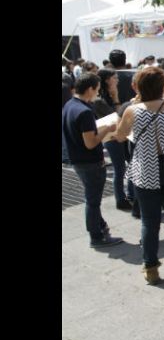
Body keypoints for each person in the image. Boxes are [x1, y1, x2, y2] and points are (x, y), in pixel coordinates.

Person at [114, 67, 164, 284]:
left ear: (139, 87)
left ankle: (151, 268)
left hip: (146, 168)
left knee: (150, 221)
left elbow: (120, 136)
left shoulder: (133, 111)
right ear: (162, 86)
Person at [62, 72, 123, 248]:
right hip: (89, 161)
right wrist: (106, 129)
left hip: (77, 160)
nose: (98, 92)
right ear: (90, 89)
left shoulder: (70, 105)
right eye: (96, 89)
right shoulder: (84, 112)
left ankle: (100, 227)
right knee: (93, 200)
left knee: (91, 197)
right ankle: (96, 236)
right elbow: (90, 143)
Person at [93, 68, 133, 210]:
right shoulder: (99, 100)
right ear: (106, 80)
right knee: (119, 168)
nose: (117, 80)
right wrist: (116, 98)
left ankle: (130, 194)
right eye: (114, 78)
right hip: (111, 137)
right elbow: (117, 117)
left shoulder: (110, 95)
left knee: (130, 164)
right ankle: (120, 199)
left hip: (122, 135)